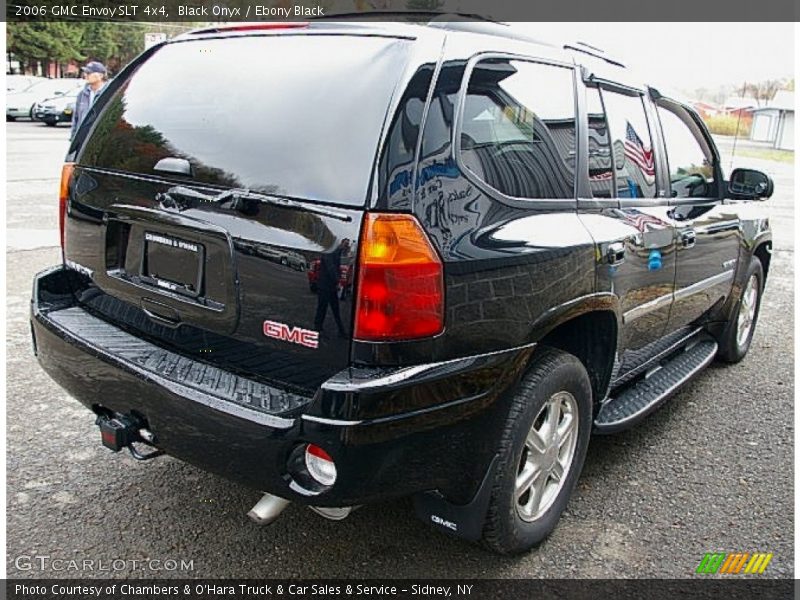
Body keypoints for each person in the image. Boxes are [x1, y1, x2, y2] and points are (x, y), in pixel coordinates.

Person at [313, 239, 351, 338]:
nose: (346, 246)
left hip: (329, 285)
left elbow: (334, 268)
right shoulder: (330, 252)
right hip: (325, 285)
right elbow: (331, 268)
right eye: (346, 244)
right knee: (323, 308)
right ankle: (318, 328)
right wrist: (338, 281)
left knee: (333, 308)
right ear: (341, 243)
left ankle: (339, 330)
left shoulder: (334, 251)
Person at [71, 61, 108, 140]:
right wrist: (73, 139)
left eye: (89, 73)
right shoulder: (82, 95)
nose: (86, 75)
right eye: (85, 72)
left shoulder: (108, 93)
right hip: (83, 140)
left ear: (100, 75)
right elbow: (76, 119)